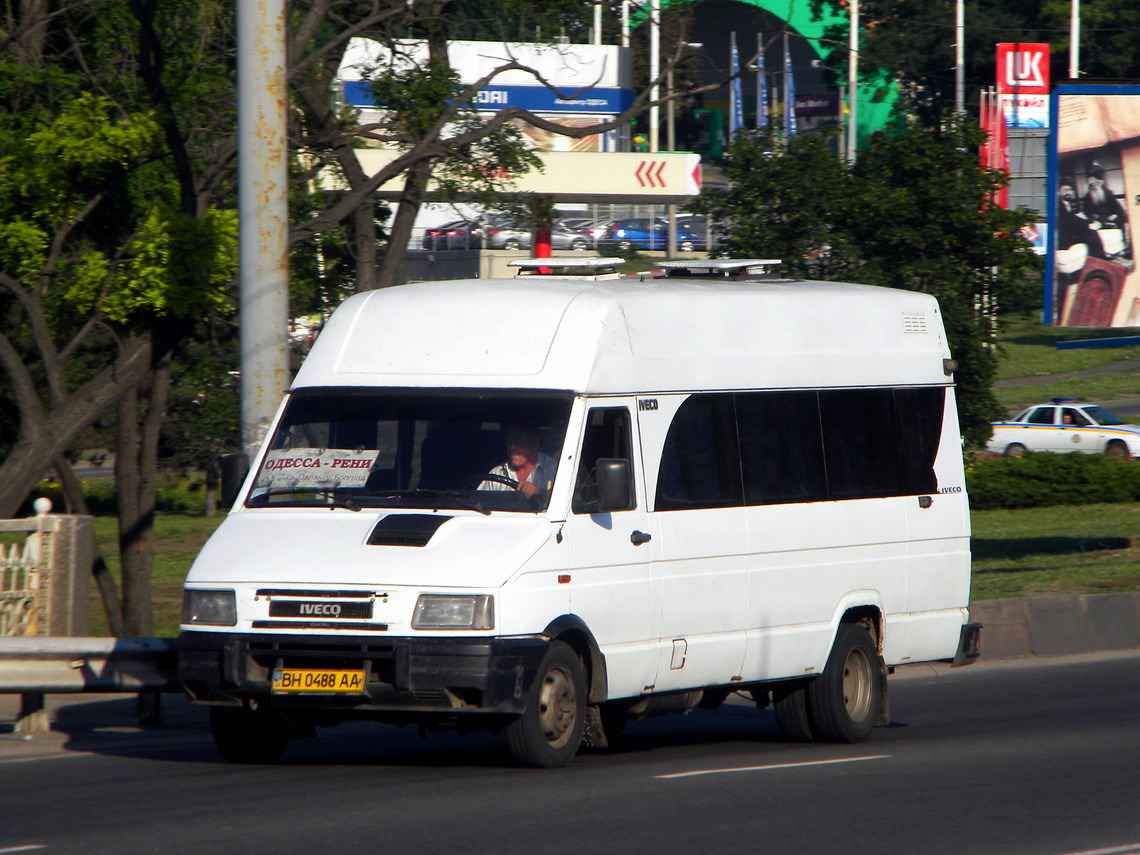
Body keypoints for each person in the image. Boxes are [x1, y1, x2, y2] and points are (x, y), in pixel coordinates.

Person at [480, 425, 558, 500]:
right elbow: (478, 502)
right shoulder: (497, 474)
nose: (511, 447)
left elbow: (564, 503)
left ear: (534, 444)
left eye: (518, 441)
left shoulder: (554, 470)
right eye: (509, 441)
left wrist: (539, 492)